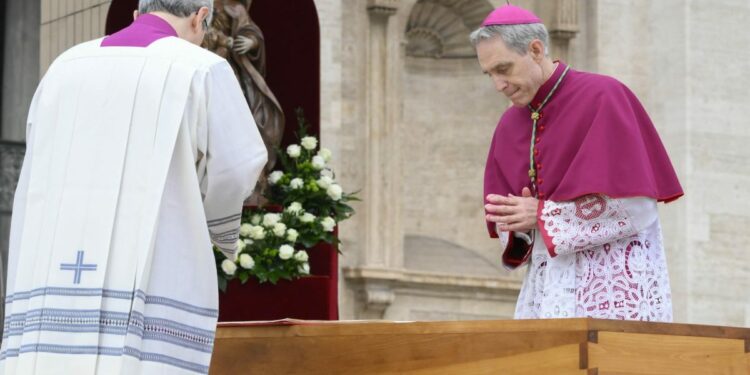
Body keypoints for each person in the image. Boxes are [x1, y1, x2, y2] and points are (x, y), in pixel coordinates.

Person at [0, 0, 267, 373]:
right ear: (200, 18)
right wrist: (210, 219)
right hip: (156, 266)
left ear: (136, 16)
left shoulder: (65, 67)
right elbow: (240, 165)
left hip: (54, 274)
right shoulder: (202, 68)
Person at [472, 5, 683, 322]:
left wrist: (542, 214)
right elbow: (515, 233)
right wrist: (520, 223)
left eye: (504, 69)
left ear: (535, 49)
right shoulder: (509, 125)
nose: (498, 84)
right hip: (547, 293)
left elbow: (637, 207)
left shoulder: (604, 97)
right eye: (490, 74)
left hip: (613, 288)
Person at [203, 0, 285, 197]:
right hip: (203, 71)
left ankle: (251, 184)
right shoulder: (196, 6)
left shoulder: (236, 9)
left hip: (229, 73)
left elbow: (251, 31)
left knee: (240, 121)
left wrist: (251, 42)